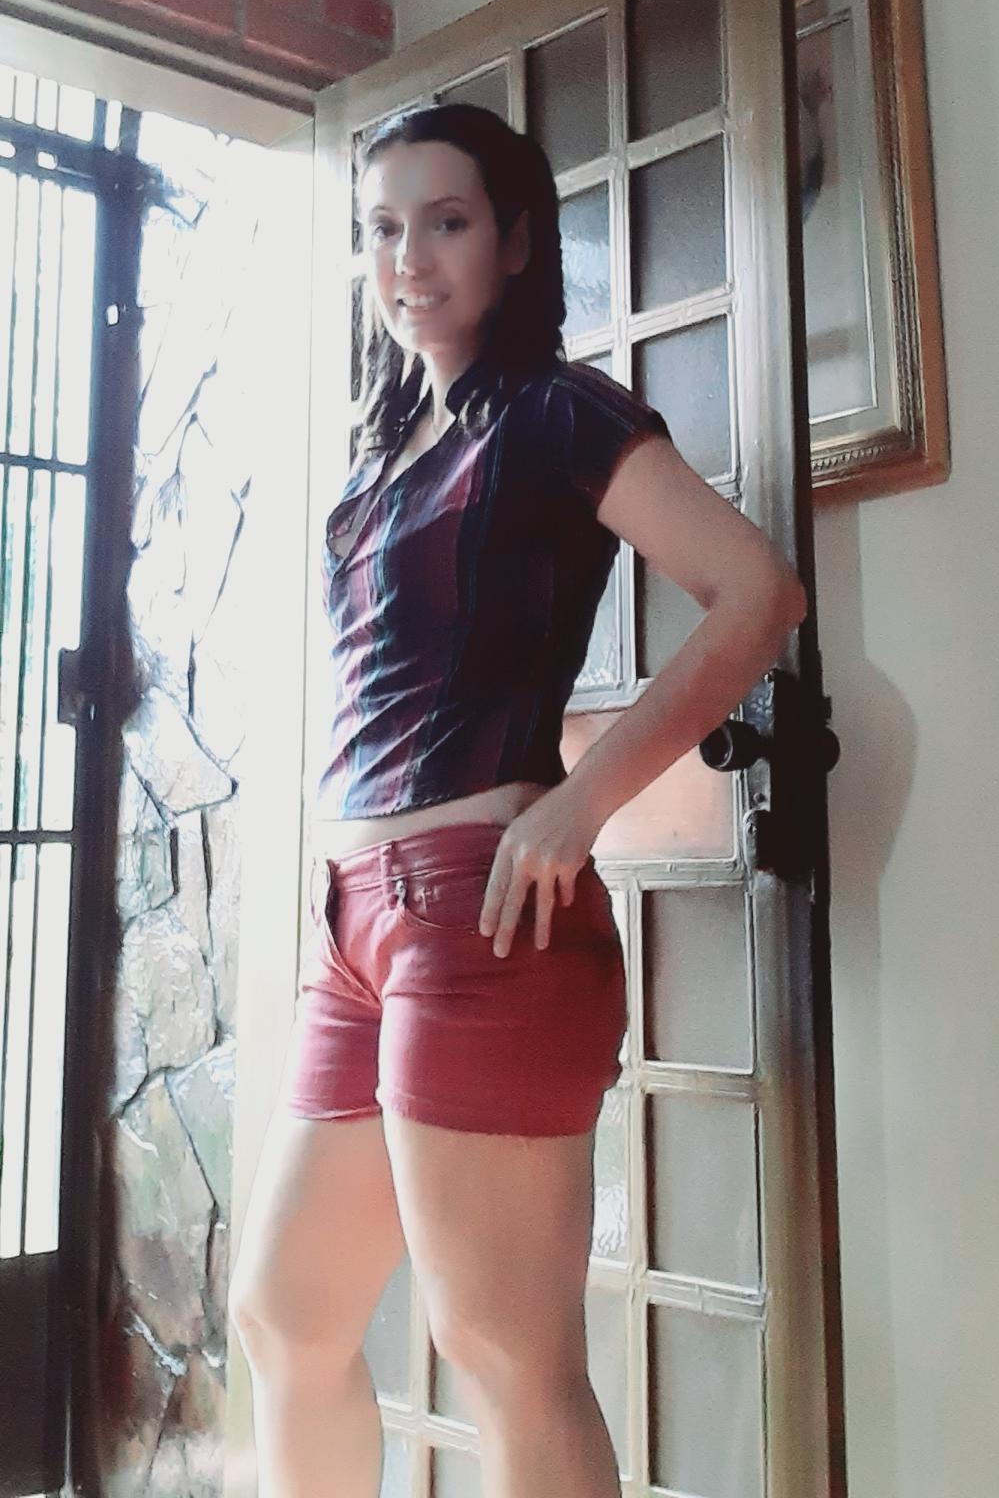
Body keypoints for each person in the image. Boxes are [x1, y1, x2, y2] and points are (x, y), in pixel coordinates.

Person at [229, 102, 807, 1497]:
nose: (409, 258)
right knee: (285, 1314)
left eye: (447, 221)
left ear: (515, 241)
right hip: (353, 928)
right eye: (383, 228)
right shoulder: (380, 459)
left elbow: (757, 593)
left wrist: (584, 799)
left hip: (483, 918)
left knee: (502, 1350)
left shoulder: (556, 411)